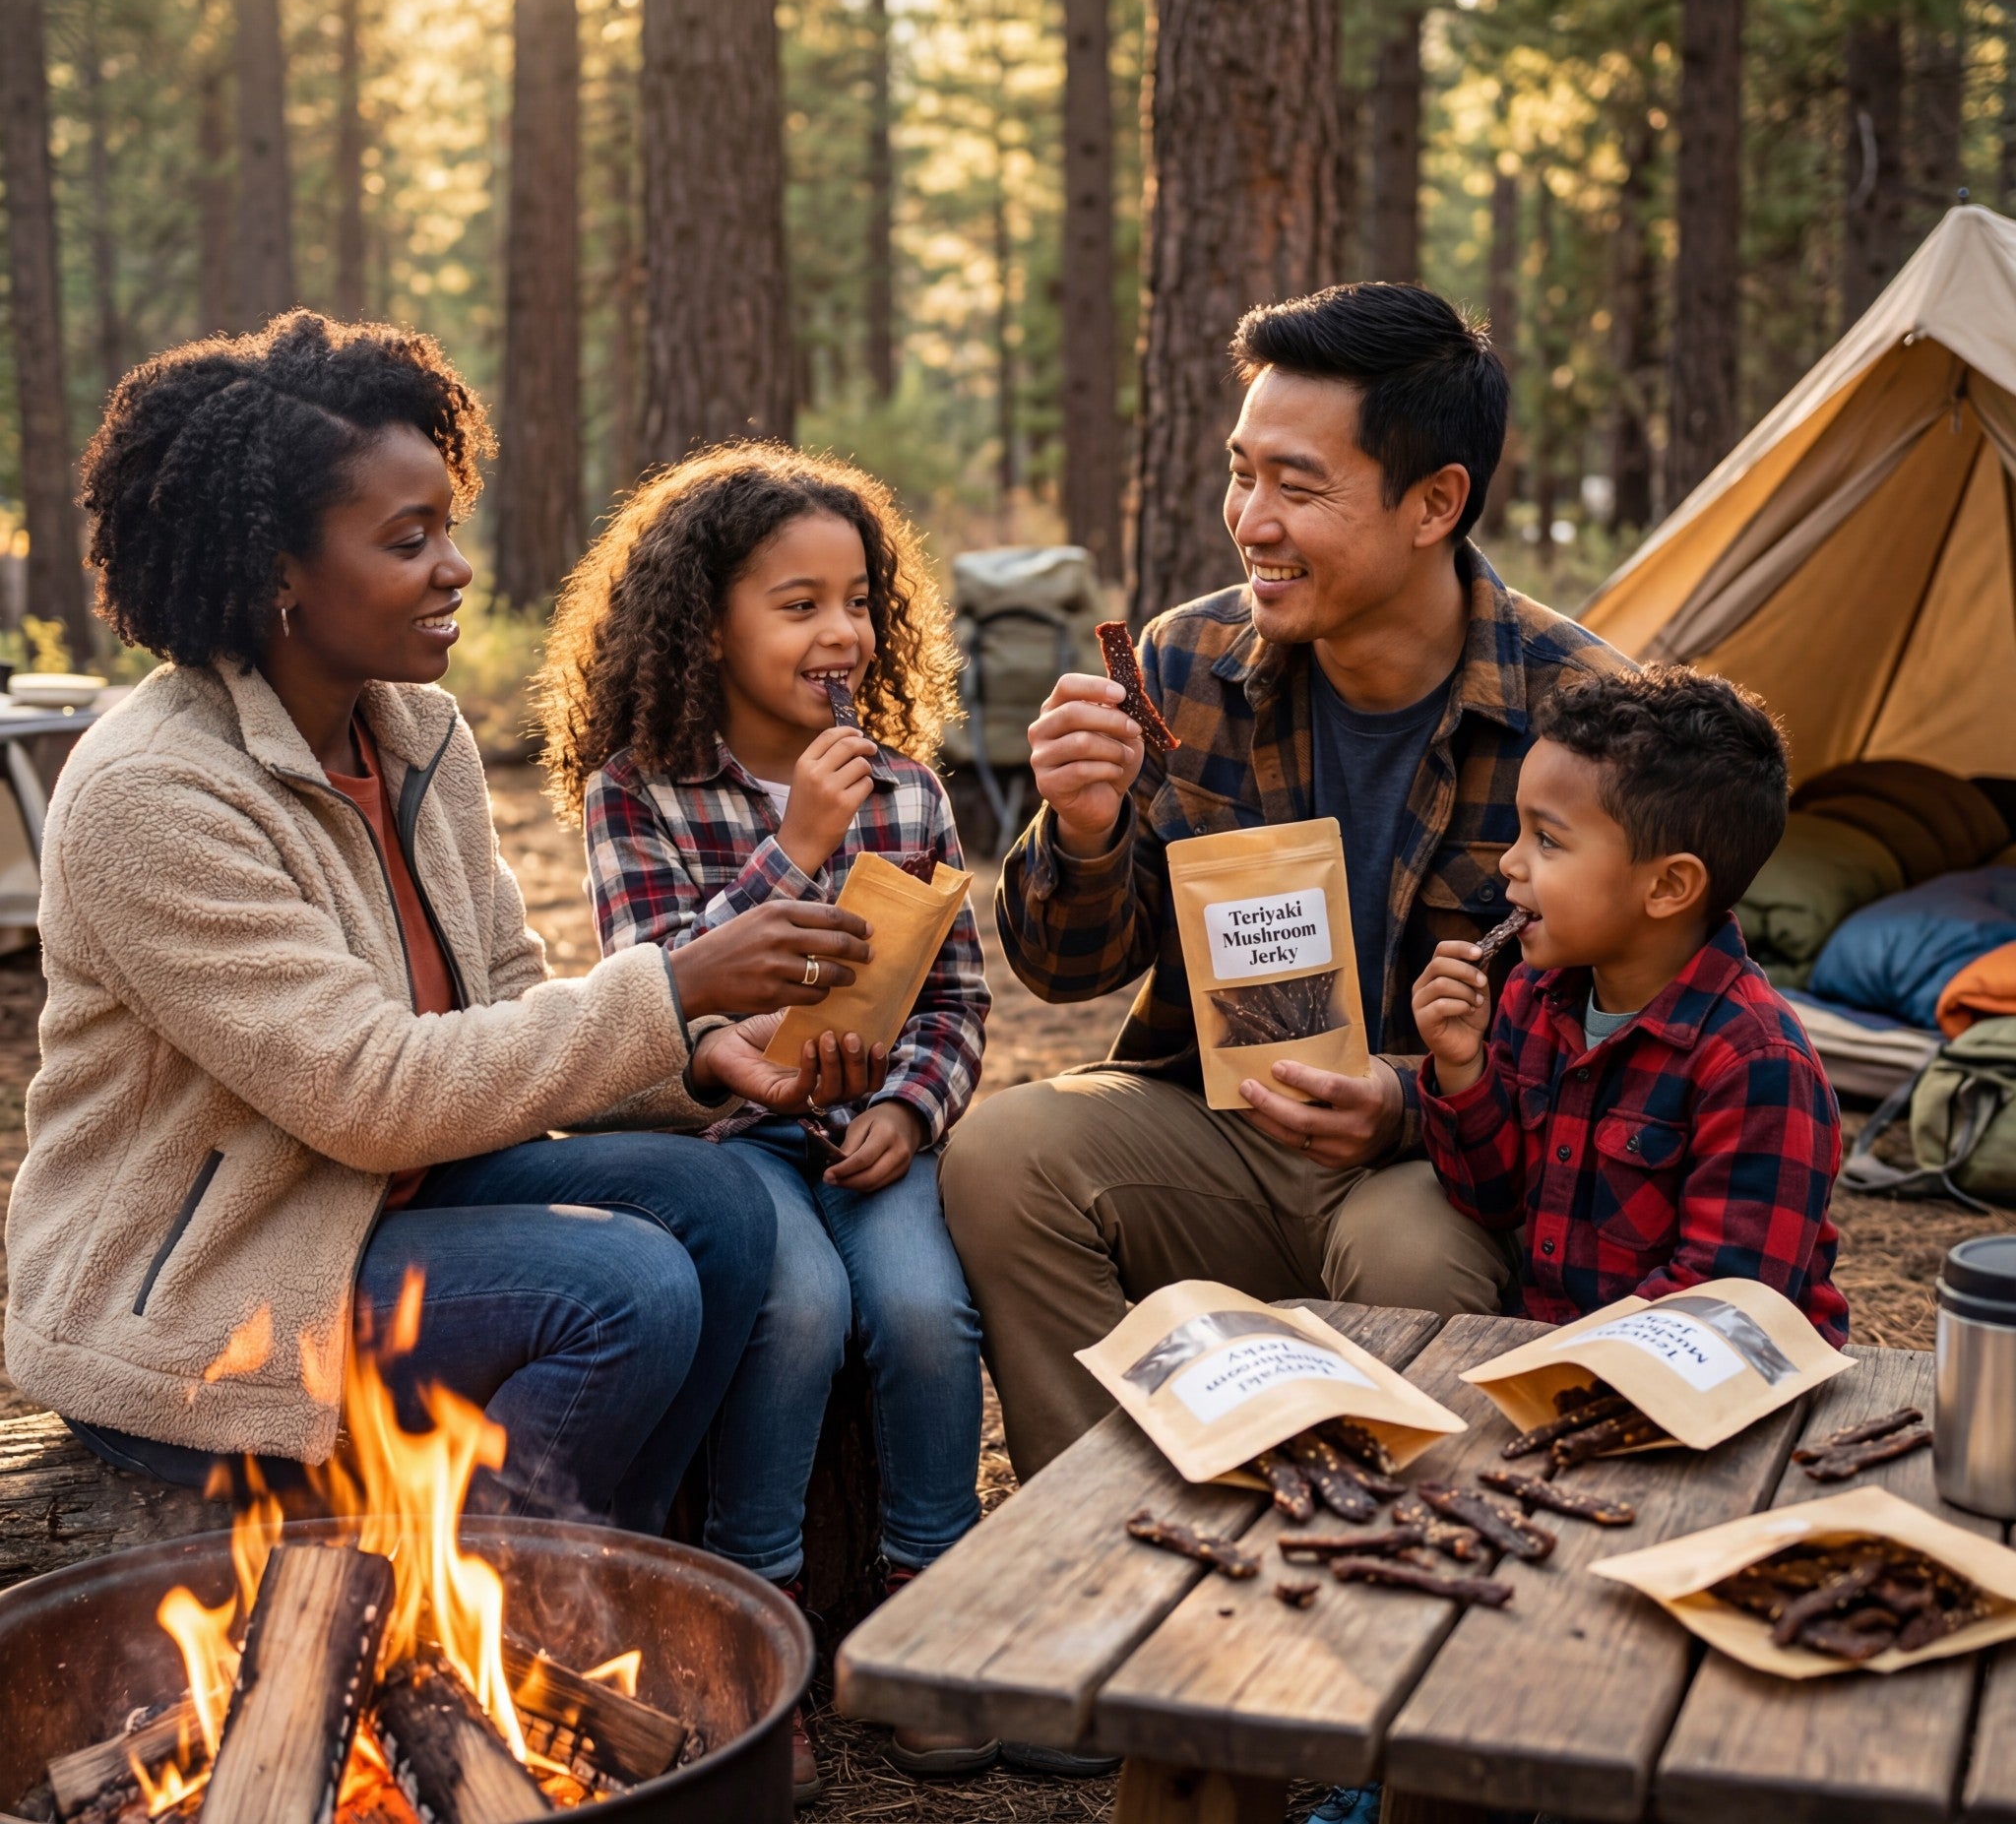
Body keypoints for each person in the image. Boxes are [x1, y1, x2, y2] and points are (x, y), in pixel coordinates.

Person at [5, 312, 885, 1538]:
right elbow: (368, 1092)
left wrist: (691, 1056)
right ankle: (471, 1658)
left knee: (722, 1207)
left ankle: (592, 1580)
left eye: (449, 526)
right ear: (275, 574)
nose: (456, 566)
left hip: (387, 1207)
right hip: (211, 1290)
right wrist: (676, 987)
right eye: (406, 539)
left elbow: (505, 1009)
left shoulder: (416, 736)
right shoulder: (151, 794)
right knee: (620, 1289)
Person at [941, 281, 1633, 1490]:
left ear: (1434, 503)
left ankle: (1406, 1555)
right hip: (1215, 1126)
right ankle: (1095, 1523)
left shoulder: (1580, 716)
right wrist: (1087, 826)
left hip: (1442, 1165)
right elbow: (1065, 968)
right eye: (1239, 472)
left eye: (1297, 486)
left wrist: (1411, 1104)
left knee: (1410, 1248)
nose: (1249, 520)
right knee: (1003, 1151)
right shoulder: (1182, 661)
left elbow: (1626, 1038)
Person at [536, 444, 991, 1798]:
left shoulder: (909, 788)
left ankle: (932, 1619)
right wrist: (792, 846)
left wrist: (910, 1109)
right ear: (706, 621)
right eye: (798, 604)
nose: (840, 632)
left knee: (919, 1313)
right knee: (791, 1312)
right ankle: (759, 1630)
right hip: (733, 1148)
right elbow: (657, 995)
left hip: (868, 1139)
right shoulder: (637, 789)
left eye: (857, 601)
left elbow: (958, 997)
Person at [1411, 665, 1848, 1341]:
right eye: (1520, 831)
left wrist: (1564, 1363)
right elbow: (1492, 1202)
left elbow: (1724, 1305)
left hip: (1710, 1380)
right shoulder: (1534, 995)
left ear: (1669, 887)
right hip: (1564, 1355)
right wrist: (1462, 1068)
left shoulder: (1757, 1065)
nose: (1510, 863)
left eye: (1548, 840)